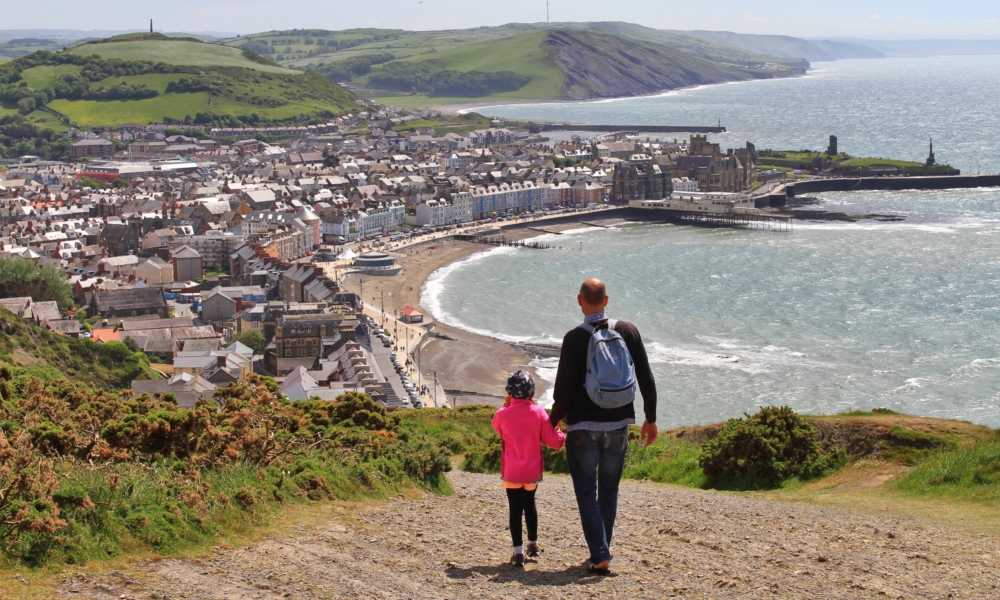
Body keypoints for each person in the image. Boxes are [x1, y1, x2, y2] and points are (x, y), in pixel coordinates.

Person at [550, 278, 657, 576]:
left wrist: (549, 422)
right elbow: (646, 377)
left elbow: (563, 391)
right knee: (609, 489)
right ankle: (602, 550)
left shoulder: (574, 338)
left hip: (582, 427)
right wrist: (651, 417)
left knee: (586, 490)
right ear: (606, 300)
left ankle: (600, 553)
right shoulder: (627, 331)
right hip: (619, 424)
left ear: (580, 300)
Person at [492, 370, 566, 569]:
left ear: (509, 392)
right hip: (532, 472)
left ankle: (518, 552)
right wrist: (560, 433)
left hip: (511, 472)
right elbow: (554, 442)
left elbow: (495, 426)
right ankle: (533, 544)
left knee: (514, 509)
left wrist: (507, 405)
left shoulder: (503, 414)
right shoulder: (539, 413)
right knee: (529, 504)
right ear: (532, 392)